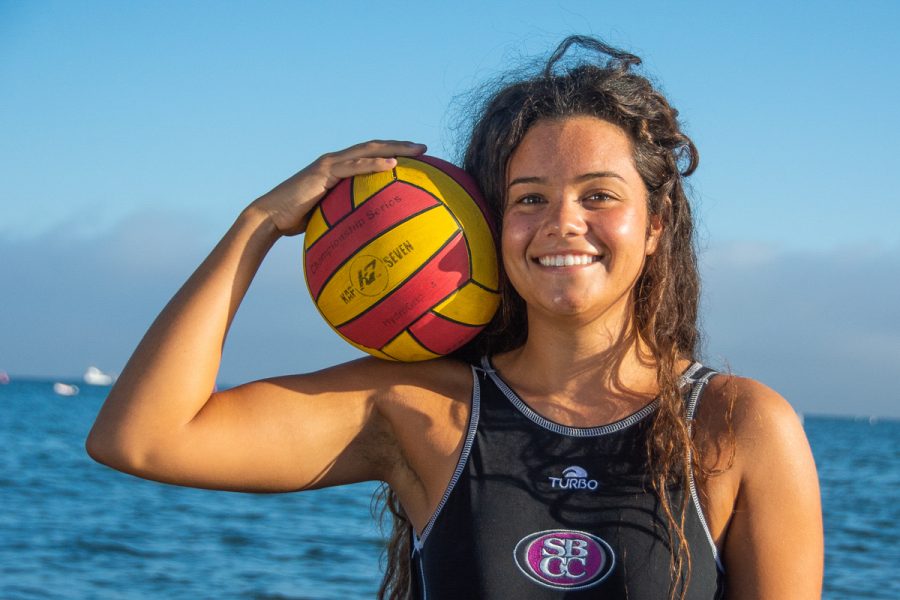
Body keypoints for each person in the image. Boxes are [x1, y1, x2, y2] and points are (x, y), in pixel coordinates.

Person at [86, 36, 823, 599]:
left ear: (656, 225)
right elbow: (142, 437)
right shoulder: (422, 409)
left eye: (599, 196)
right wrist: (257, 225)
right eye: (529, 198)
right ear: (490, 226)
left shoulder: (736, 426)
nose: (563, 222)